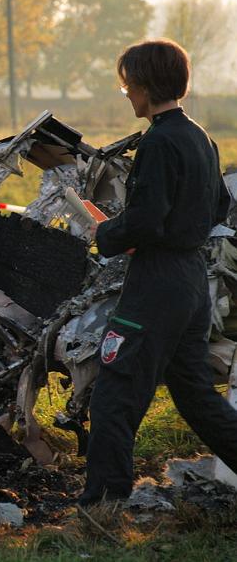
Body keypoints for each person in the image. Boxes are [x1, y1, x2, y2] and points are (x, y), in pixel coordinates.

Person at [80, 39, 237, 505]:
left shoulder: (158, 141)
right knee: (196, 396)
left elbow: (145, 222)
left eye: (128, 85)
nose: (126, 93)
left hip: (157, 284)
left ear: (146, 87)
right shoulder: (200, 137)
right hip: (192, 282)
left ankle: (102, 506)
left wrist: (104, 233)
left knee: (115, 390)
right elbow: (220, 206)